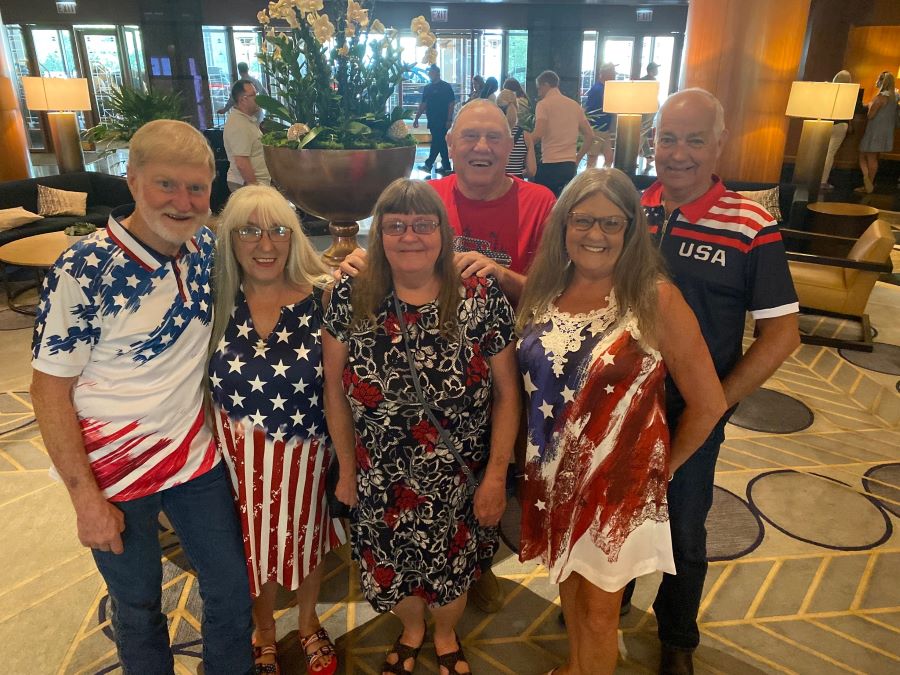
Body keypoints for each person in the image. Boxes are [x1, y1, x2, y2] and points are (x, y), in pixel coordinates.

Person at [30, 119, 254, 674]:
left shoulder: (206, 246)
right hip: (113, 473)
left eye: (197, 188)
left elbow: (278, 264)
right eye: (166, 185)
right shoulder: (82, 270)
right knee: (137, 608)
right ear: (131, 182)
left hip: (196, 457)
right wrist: (86, 501)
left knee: (231, 591)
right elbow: (48, 393)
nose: (183, 202)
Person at [338, 100, 555, 615]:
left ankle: (477, 567)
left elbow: (553, 295)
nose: (482, 148)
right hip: (433, 355)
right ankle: (448, 576)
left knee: (493, 474)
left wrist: (502, 278)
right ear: (450, 143)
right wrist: (359, 259)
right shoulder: (429, 197)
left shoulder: (540, 202)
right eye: (470, 137)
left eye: (495, 138)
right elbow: (397, 243)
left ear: (512, 145)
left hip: (516, 358)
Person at [517, 168, 727, 675]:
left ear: (633, 230)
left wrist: (659, 471)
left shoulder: (654, 297)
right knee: (568, 586)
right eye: (583, 220)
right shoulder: (547, 288)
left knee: (598, 615)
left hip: (616, 495)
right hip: (553, 480)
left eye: (612, 223)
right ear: (563, 225)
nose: (596, 235)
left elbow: (709, 402)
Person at [626, 88, 800, 675]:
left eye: (694, 140)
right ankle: (610, 597)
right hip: (618, 402)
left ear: (719, 144)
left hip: (690, 410)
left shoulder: (752, 223)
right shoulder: (629, 207)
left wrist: (718, 401)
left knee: (682, 525)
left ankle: (677, 635)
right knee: (615, 506)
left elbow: (782, 336)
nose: (677, 153)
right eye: (667, 138)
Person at [322, 178, 521, 675]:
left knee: (452, 573)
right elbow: (334, 391)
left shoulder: (478, 295)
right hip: (379, 475)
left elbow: (507, 393)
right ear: (379, 234)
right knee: (392, 570)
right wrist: (346, 470)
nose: (410, 236)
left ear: (443, 231)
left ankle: (446, 632)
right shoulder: (351, 294)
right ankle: (412, 629)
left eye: (423, 224)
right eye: (395, 226)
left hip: (458, 478)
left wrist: (497, 474)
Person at [208, 185, 346, 675]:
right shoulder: (213, 300)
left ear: (294, 237)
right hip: (235, 459)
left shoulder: (326, 296)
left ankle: (308, 624)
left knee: (307, 542)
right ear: (230, 237)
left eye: (278, 231)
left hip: (307, 454)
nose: (264, 245)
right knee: (250, 548)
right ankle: (264, 631)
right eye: (248, 231)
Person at [532, 70, 595, 197]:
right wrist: (577, 158)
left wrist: (523, 143)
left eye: (539, 89)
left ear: (545, 85)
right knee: (563, 205)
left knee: (543, 204)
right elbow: (590, 135)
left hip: (550, 165)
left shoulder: (543, 105)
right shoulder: (574, 105)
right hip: (569, 166)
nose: (539, 93)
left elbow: (538, 133)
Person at [224, 80, 271, 191]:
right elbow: (241, 162)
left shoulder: (246, 120)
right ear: (243, 100)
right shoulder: (238, 124)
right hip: (248, 185)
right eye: (254, 95)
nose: (258, 99)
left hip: (257, 183)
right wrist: (255, 188)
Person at [856, 70, 897, 194]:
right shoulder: (893, 98)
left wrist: (870, 106)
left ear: (881, 82)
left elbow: (870, 115)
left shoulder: (880, 98)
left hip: (874, 131)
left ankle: (868, 183)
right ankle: (868, 182)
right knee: (871, 156)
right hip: (885, 132)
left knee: (866, 156)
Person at [414, 64, 457, 175]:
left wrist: (449, 119)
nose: (430, 75)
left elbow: (451, 104)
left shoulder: (446, 87)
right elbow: (423, 104)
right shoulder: (428, 88)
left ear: (437, 73)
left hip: (442, 119)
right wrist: (416, 118)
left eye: (432, 73)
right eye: (429, 73)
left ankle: (429, 164)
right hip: (432, 119)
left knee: (437, 142)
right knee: (440, 142)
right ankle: (446, 167)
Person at [580, 63, 617, 169]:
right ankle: (589, 181)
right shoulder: (597, 89)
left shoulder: (601, 88)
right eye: (612, 73)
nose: (614, 76)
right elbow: (590, 109)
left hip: (603, 129)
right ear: (606, 74)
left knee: (609, 158)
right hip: (597, 128)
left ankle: (602, 179)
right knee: (593, 158)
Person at [821, 70, 854, 190]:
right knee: (830, 153)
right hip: (841, 124)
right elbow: (849, 113)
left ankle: (816, 177)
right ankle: (823, 181)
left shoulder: (829, 91)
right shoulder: (849, 94)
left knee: (822, 152)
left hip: (827, 123)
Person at [639, 62, 660, 164]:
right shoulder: (652, 81)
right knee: (643, 130)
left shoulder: (642, 80)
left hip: (642, 107)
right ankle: (633, 154)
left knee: (643, 130)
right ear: (652, 70)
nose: (657, 71)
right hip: (650, 107)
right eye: (656, 69)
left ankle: (647, 155)